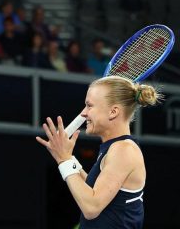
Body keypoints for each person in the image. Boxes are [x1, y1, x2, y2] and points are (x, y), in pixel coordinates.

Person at [36, 76, 162, 228]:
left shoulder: (124, 150)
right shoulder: (115, 148)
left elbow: (91, 207)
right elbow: (91, 191)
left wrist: (65, 160)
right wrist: (65, 157)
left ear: (113, 112)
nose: (83, 113)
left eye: (89, 106)